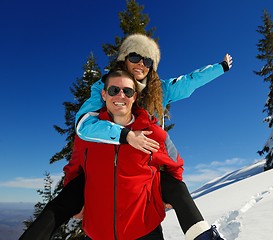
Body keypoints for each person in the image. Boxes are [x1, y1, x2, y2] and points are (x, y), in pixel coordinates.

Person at [19, 33, 231, 240]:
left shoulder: (159, 90)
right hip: (109, 150)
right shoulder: (106, 86)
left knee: (173, 183)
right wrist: (127, 135)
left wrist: (219, 68)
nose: (141, 64)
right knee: (70, 195)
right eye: (135, 57)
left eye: (147, 60)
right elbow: (83, 126)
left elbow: (190, 81)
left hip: (147, 154)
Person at [63, 70, 184, 239]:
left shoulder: (152, 133)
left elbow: (175, 164)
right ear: (104, 95)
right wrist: (76, 203)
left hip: (146, 231)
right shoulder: (88, 136)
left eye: (127, 91)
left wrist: (167, 196)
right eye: (114, 90)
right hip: (98, 232)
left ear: (134, 97)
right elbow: (73, 170)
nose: (121, 96)